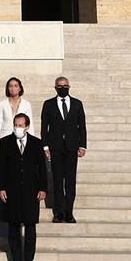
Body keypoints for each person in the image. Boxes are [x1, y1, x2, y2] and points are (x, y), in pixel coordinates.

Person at [0, 113, 46, 261]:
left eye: (20, 125)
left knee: (30, 226)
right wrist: (1, 188)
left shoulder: (37, 143)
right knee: (13, 225)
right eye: (15, 125)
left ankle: (29, 260)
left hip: (31, 191)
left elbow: (42, 169)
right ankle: (16, 259)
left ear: (27, 127)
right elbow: (1, 168)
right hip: (12, 190)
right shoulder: (5, 142)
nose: (17, 128)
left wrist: (43, 188)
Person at [41, 76, 87, 224]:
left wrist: (82, 145)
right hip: (55, 148)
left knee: (70, 182)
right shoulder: (48, 104)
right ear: (55, 87)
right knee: (57, 181)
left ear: (69, 87)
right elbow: (44, 127)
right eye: (60, 86)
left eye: (65, 86)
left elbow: (82, 126)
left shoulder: (77, 104)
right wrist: (45, 146)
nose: (63, 88)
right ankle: (59, 213)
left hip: (71, 148)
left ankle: (69, 213)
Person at [0, 76, 33, 152]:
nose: (13, 88)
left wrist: (32, 142)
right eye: (10, 86)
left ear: (20, 88)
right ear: (8, 88)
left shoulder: (26, 104)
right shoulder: (2, 103)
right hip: (5, 137)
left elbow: (30, 124)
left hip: (21, 137)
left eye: (16, 86)